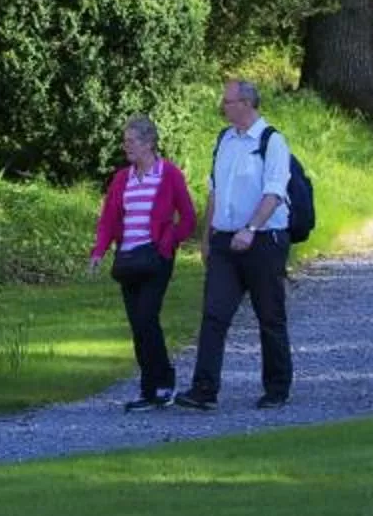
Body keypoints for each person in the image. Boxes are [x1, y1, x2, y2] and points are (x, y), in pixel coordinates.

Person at [174, 78, 292, 410]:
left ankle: (277, 387)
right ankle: (204, 388)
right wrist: (207, 237)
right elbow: (215, 191)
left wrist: (251, 228)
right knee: (214, 313)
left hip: (264, 240)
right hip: (225, 241)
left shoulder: (272, 141)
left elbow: (274, 192)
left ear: (246, 104)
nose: (223, 107)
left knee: (269, 315)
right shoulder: (224, 139)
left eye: (228, 102)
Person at [87, 116, 197, 409]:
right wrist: (99, 251)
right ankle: (149, 390)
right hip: (128, 259)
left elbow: (188, 218)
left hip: (156, 258)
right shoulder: (122, 178)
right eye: (125, 141)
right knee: (138, 324)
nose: (126, 147)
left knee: (147, 317)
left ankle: (164, 381)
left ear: (149, 143)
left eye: (131, 141)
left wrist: (168, 242)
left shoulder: (168, 174)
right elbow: (109, 219)